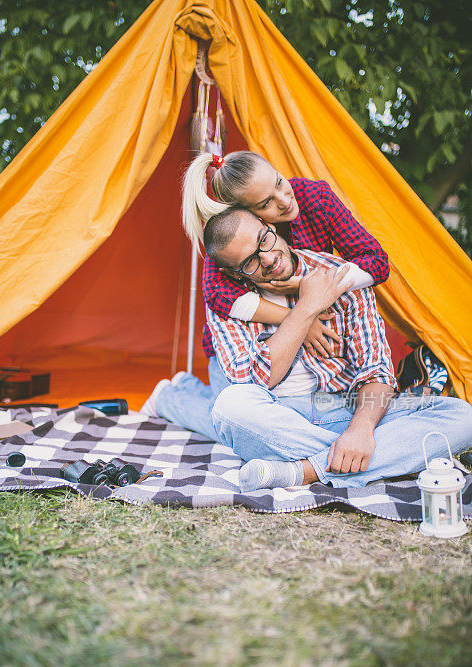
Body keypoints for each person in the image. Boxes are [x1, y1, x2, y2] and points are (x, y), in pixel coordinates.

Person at [200, 207, 471, 491]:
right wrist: (306, 308)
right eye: (250, 262)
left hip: (342, 407)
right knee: (229, 408)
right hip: (279, 417)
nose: (267, 259)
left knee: (463, 417)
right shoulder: (226, 301)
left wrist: (360, 431)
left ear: (268, 224)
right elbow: (254, 382)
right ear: (232, 272)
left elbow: (376, 370)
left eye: (263, 240)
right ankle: (377, 455)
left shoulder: (339, 275)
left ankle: (304, 471)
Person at [143, 151, 388, 434]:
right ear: (244, 213)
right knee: (232, 426)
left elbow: (377, 262)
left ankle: (189, 390)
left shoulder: (315, 198)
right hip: (247, 351)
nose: (285, 200)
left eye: (279, 183)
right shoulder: (232, 240)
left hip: (307, 356)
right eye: (266, 203)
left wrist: (307, 286)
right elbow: (218, 296)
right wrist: (299, 317)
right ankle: (169, 398)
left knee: (276, 425)